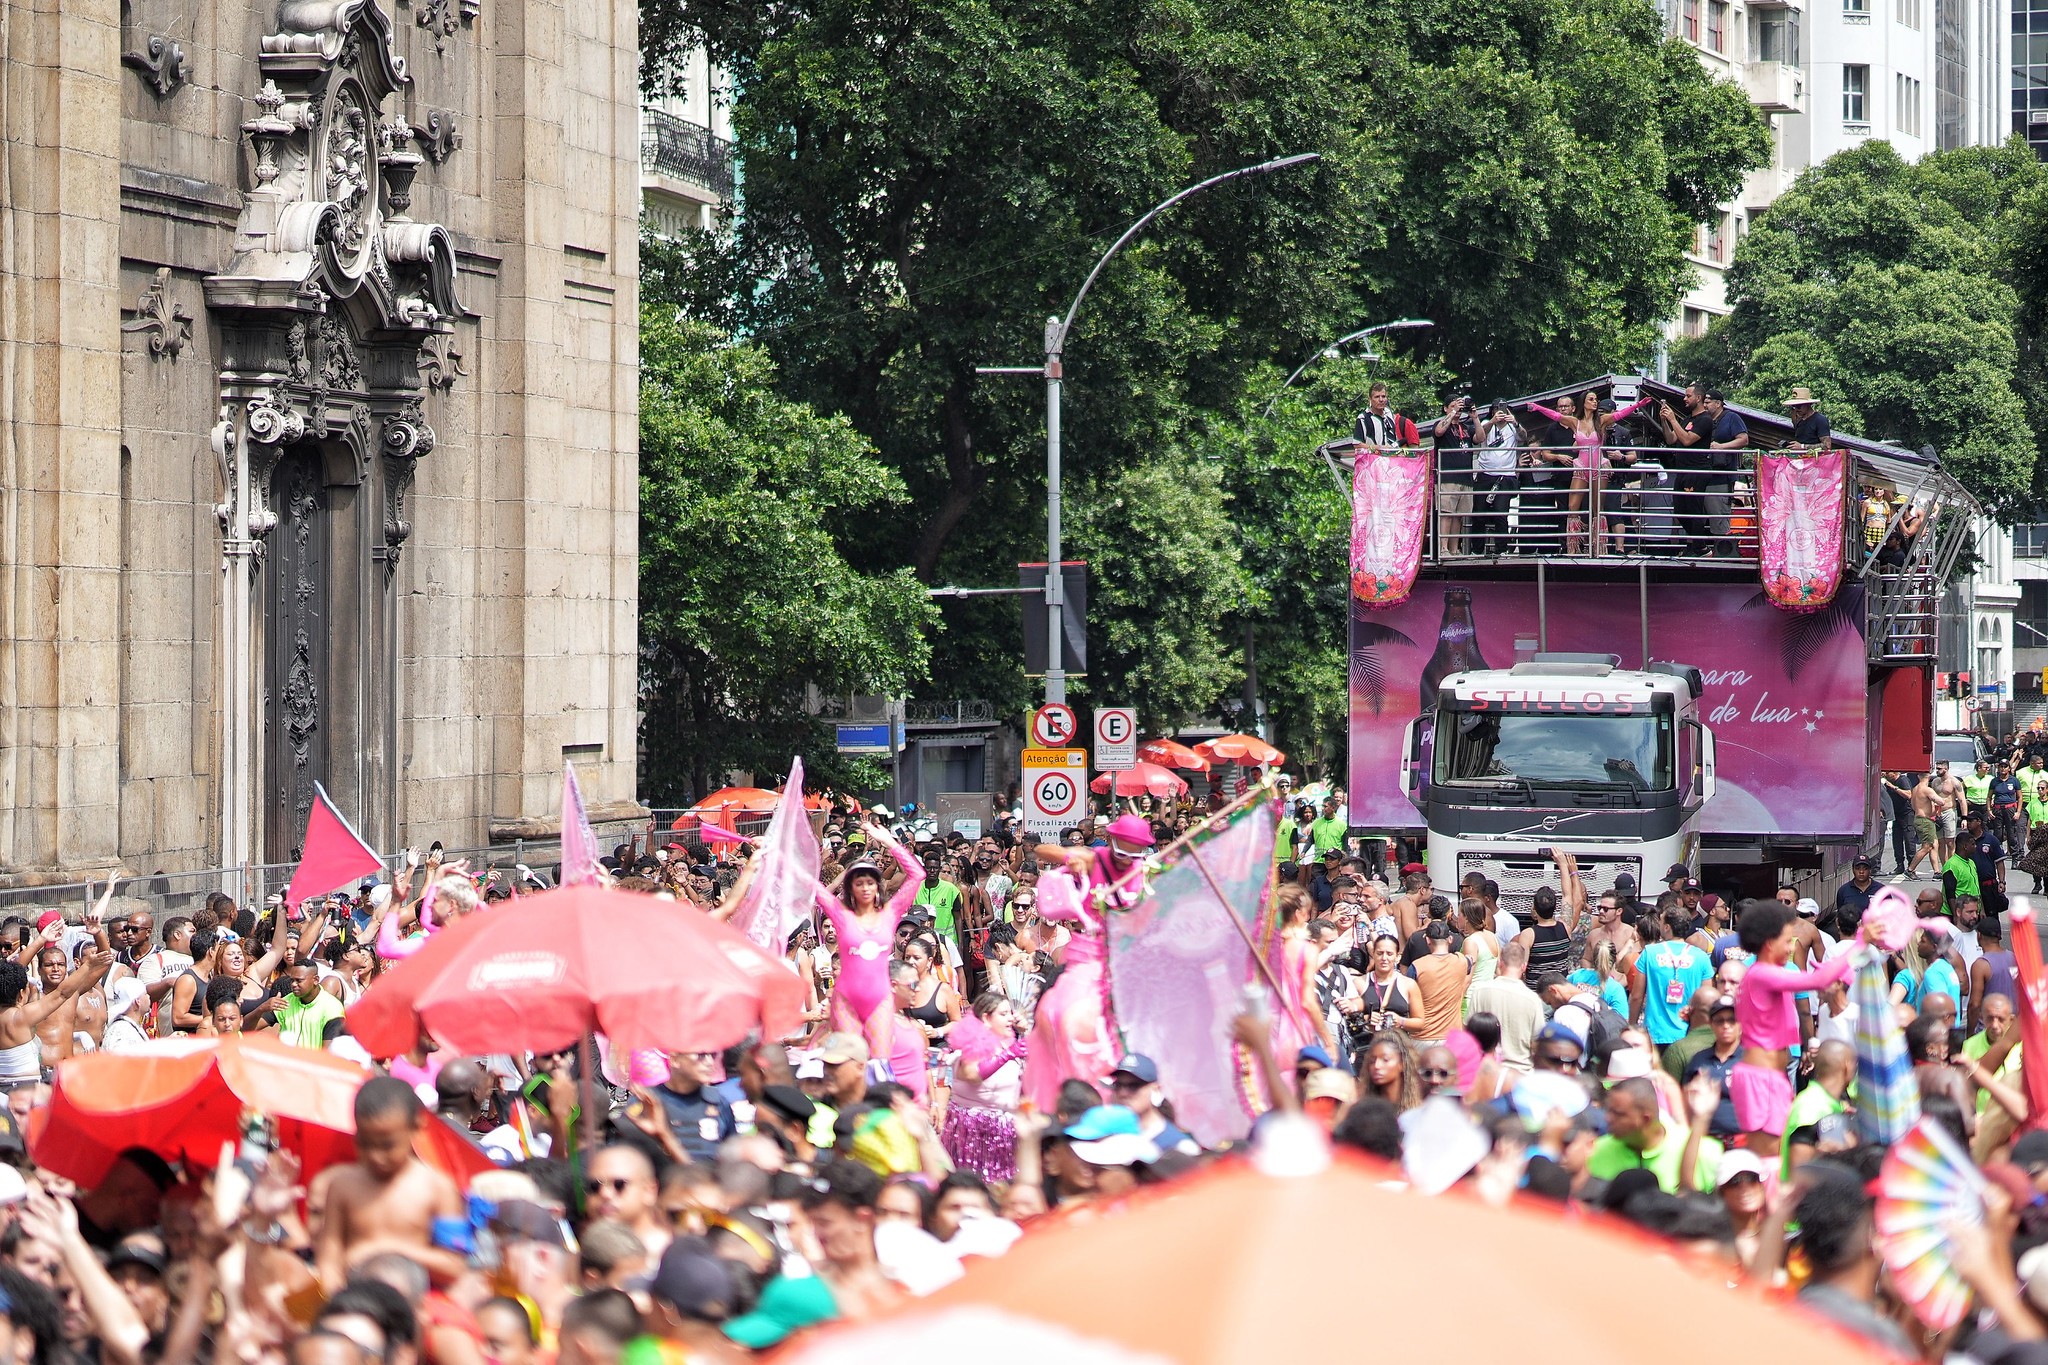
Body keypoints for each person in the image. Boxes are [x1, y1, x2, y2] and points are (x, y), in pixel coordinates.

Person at [311, 1076, 466, 1292]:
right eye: (365, 1144)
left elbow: (453, 1267)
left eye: (387, 1145)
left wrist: (387, 1248)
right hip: (354, 1299)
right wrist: (337, 1299)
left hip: (416, 1303)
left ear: (416, 1128)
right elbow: (328, 1261)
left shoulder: (438, 1188)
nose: (375, 1156)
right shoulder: (341, 1185)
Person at [1732, 899, 1857, 1157]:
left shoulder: (1769, 973)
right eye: (1788, 942)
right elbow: (1821, 979)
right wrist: (1863, 942)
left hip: (1774, 1075)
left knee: (1778, 1157)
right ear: (1769, 943)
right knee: (1768, 1159)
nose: (1792, 948)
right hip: (1760, 1077)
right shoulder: (1761, 974)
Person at [813, 823, 925, 1065]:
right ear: (851, 888)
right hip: (845, 1000)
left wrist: (890, 842)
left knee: (879, 1064)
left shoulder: (891, 913)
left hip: (880, 999)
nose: (865, 888)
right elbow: (811, 885)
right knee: (847, 1063)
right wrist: (775, 852)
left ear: (877, 887)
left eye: (870, 883)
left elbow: (918, 874)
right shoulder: (841, 916)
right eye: (859, 883)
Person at [1585, 1074, 1723, 1194]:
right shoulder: (1593, 1151)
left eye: (1618, 1114)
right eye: (1609, 1110)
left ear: (1646, 1119)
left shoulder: (1704, 1151)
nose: (1607, 1118)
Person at [939, 992, 1026, 1182]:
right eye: (1003, 1014)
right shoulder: (973, 1043)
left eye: (1010, 1013)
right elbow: (970, 1074)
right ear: (986, 1018)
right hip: (978, 1132)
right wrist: (1007, 1056)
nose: (1010, 1017)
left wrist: (1024, 1033)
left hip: (1004, 1130)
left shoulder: (1006, 1042)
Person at [1636, 911, 1713, 1056]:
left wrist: (1631, 1025)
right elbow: (1706, 1000)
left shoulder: (1649, 952)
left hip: (1655, 1033)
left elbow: (1636, 996)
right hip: (1690, 1035)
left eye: (1660, 922)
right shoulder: (1701, 957)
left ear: (1667, 927)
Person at [1462, 940, 1543, 1073]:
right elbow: (1537, 1043)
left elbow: (1468, 1031)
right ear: (1524, 967)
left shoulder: (1480, 991)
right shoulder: (1532, 999)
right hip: (1520, 1072)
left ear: (1500, 963)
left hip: (1487, 1071)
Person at [1105, 1055, 1198, 1156]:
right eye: (1118, 1085)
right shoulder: (1107, 1136)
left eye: (1134, 1086)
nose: (1123, 1093)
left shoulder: (1180, 1147)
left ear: (1156, 1089)